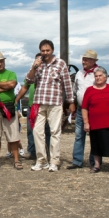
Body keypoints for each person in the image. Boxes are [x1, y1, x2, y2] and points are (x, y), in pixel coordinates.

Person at [24, 39, 75, 172]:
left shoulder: (60, 63)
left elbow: (67, 84)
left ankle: (54, 161)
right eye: (43, 50)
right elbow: (28, 80)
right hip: (39, 102)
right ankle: (41, 160)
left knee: (54, 132)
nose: (45, 53)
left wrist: (71, 102)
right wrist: (34, 67)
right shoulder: (37, 64)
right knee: (37, 131)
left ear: (52, 50)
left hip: (55, 102)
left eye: (47, 50)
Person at [69, 49, 108, 169]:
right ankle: (77, 161)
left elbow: (108, 88)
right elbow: (75, 90)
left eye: (86, 59)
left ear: (93, 61)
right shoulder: (80, 74)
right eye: (83, 59)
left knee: (95, 136)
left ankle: (94, 161)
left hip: (95, 110)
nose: (83, 61)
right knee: (79, 135)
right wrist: (72, 103)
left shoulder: (99, 73)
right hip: (82, 109)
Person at [81, 67, 109, 174]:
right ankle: (97, 165)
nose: (98, 78)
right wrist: (86, 122)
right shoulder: (89, 90)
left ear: (105, 77)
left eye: (100, 76)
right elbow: (84, 107)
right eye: (96, 76)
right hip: (95, 123)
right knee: (96, 145)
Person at [14, 53, 51, 161]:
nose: (38, 62)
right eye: (36, 60)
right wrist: (16, 100)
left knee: (46, 131)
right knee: (31, 130)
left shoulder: (47, 73)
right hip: (32, 105)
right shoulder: (31, 73)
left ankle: (47, 153)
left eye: (40, 60)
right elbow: (25, 87)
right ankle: (32, 152)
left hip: (45, 105)